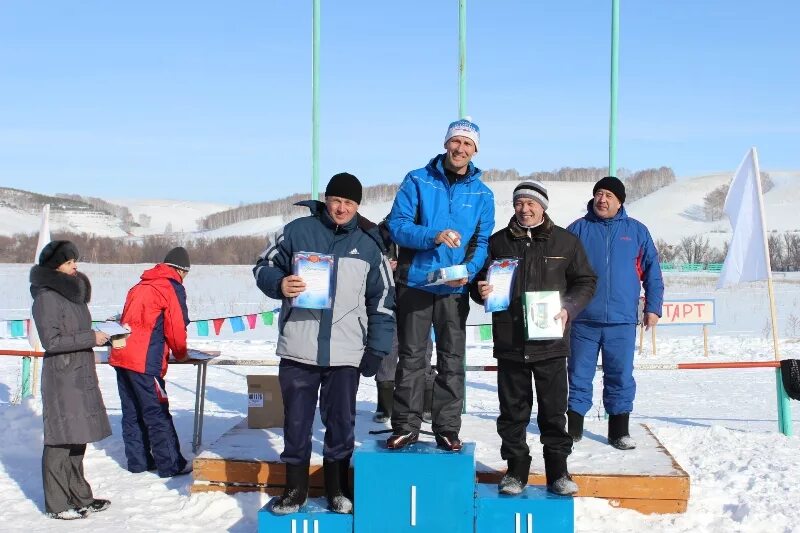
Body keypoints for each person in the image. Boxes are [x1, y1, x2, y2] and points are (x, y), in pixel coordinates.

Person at [254, 172, 395, 515]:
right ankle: (295, 489)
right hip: (299, 347)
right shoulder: (297, 231)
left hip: (345, 352)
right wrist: (279, 283)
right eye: (336, 200)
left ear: (357, 206)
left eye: (349, 202)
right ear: (326, 199)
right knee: (297, 422)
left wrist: (377, 349)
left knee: (341, 423)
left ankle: (337, 489)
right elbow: (262, 266)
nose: (341, 208)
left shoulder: (369, 243)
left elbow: (383, 300)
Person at [470, 182, 597, 496]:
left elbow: (586, 281)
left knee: (554, 413)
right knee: (513, 413)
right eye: (519, 204)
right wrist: (479, 289)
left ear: (543, 206)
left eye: (531, 203)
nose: (524, 209)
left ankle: (558, 473)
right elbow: (478, 281)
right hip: (510, 342)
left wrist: (569, 308)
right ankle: (515, 471)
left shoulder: (566, 242)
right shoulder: (497, 242)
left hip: (550, 343)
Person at [385, 118, 495, 451]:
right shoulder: (417, 180)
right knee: (412, 359)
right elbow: (397, 226)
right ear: (446, 143)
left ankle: (447, 427)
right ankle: (406, 425)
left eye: (468, 144)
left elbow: (482, 241)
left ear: (475, 150)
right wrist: (432, 236)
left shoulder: (482, 194)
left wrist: (470, 271)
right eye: (456, 142)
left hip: (454, 289)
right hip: (416, 283)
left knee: (451, 359)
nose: (460, 149)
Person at [566, 176, 664, 450]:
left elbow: (653, 273)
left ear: (620, 201)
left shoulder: (636, 231)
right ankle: (573, 429)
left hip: (621, 321)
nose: (602, 199)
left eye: (609, 195)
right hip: (582, 321)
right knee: (577, 375)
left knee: (620, 375)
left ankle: (618, 431)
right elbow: (559, 271)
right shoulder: (577, 229)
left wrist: (653, 307)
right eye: (599, 194)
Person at [30, 240, 112, 520]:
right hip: (62, 378)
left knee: (78, 440)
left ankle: (81, 498)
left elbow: (77, 330)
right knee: (59, 441)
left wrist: (104, 331)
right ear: (55, 266)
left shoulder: (72, 295)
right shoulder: (46, 297)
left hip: (80, 374)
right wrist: (91, 338)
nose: (75, 266)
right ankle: (56, 504)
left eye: (75, 260)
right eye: (68, 262)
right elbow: (51, 341)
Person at [109, 247, 193, 477]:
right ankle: (171, 464)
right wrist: (182, 353)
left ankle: (138, 462)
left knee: (132, 411)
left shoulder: (139, 286)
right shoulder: (171, 287)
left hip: (121, 356)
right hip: (145, 361)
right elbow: (176, 327)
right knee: (157, 412)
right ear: (181, 270)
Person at [373, 220, 435, 425]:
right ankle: (385, 406)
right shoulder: (380, 234)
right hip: (389, 305)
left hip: (418, 302)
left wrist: (406, 268)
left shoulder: (424, 230)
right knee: (387, 354)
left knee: (422, 353)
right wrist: (384, 266)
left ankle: (426, 406)